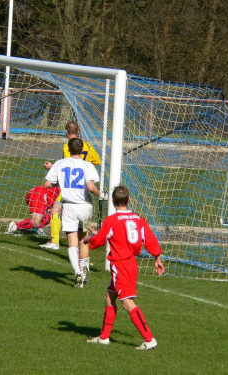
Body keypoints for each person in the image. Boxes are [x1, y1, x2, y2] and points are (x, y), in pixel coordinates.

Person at [83, 185, 164, 350]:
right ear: (128, 200)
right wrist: (157, 257)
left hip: (120, 265)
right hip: (131, 263)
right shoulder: (138, 219)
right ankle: (104, 337)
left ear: (112, 201)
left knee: (127, 303)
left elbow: (99, 241)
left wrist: (88, 240)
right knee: (109, 296)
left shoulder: (111, 220)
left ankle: (149, 339)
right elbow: (149, 239)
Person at [43, 138, 105, 288]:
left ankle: (77, 271)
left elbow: (47, 184)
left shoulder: (59, 163)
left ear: (68, 149)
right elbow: (90, 187)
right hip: (85, 206)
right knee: (83, 239)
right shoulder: (87, 165)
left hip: (69, 206)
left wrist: (59, 182)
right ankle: (84, 272)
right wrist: (101, 194)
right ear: (82, 150)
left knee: (72, 241)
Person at [40, 120, 101, 251]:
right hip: (83, 185)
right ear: (78, 131)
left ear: (66, 132)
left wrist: (52, 167)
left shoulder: (68, 146)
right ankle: (83, 249)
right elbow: (97, 160)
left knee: (56, 209)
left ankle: (55, 241)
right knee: (81, 220)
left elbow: (69, 162)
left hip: (71, 184)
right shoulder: (88, 146)